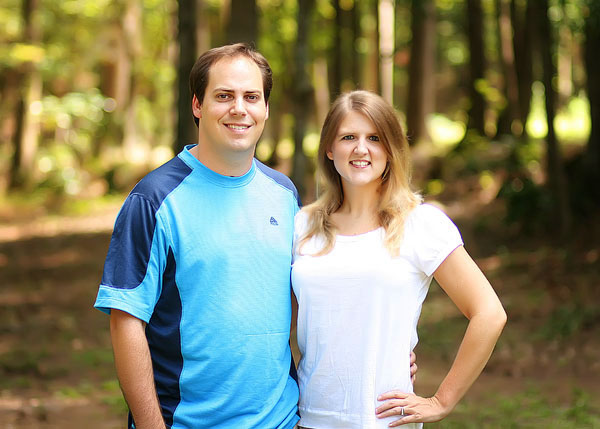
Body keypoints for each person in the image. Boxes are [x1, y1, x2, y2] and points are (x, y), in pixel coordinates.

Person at [94, 43, 301, 429]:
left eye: (251, 97)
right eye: (223, 96)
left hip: (282, 420)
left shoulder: (285, 194)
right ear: (197, 105)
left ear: (266, 109)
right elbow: (126, 322)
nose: (239, 108)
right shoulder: (153, 199)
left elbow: (306, 302)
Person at [291, 90, 507, 428]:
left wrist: (441, 401)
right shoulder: (302, 227)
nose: (361, 149)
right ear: (330, 149)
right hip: (309, 419)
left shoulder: (420, 223)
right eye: (349, 137)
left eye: (374, 138)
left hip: (385, 421)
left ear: (391, 151)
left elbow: (489, 313)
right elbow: (286, 325)